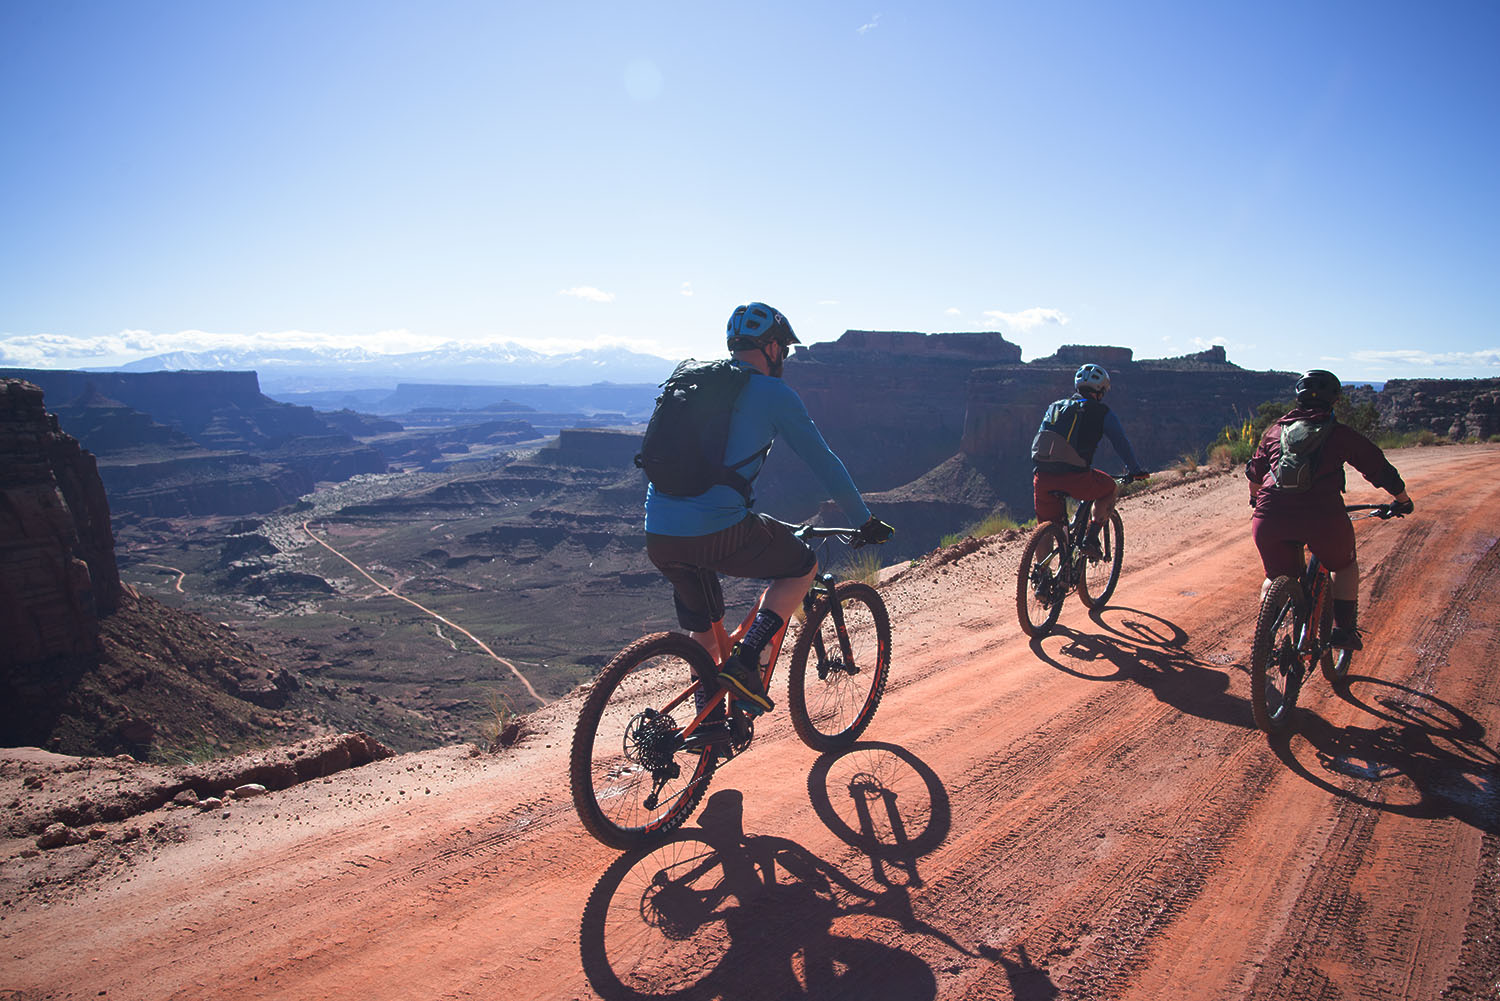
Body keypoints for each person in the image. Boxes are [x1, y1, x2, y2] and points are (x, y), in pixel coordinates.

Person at [644, 302, 893, 717]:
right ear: (772, 348)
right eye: (785, 350)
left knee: (704, 625)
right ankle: (748, 660)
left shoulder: (695, 384)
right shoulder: (773, 393)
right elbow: (824, 462)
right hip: (717, 527)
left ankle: (707, 724)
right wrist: (862, 520)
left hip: (660, 530)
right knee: (801, 565)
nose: (786, 358)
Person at [1245, 369, 1413, 649]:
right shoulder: (1339, 434)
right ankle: (1343, 631)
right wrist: (1402, 499)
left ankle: (1265, 640)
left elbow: (1255, 473)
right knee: (1344, 566)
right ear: (1334, 400)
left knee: (1275, 577)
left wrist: (1256, 501)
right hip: (1323, 518)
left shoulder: (1275, 431)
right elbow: (1378, 468)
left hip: (1270, 517)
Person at [1030, 363, 1147, 558]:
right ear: (1101, 390)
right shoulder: (1102, 412)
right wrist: (1134, 469)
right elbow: (1121, 442)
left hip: (1042, 477)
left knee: (1046, 529)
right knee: (1109, 488)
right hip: (1076, 478)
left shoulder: (1055, 406)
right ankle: (1091, 539)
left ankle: (1042, 581)